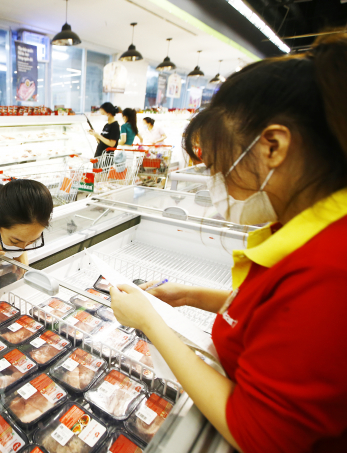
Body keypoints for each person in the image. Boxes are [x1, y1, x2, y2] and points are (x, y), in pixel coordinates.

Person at [110, 35, 347, 453]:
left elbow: (258, 432)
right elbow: (283, 323)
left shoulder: (330, 271)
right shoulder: (308, 234)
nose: (217, 181)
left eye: (221, 165)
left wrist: (150, 322)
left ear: (273, 146)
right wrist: (195, 295)